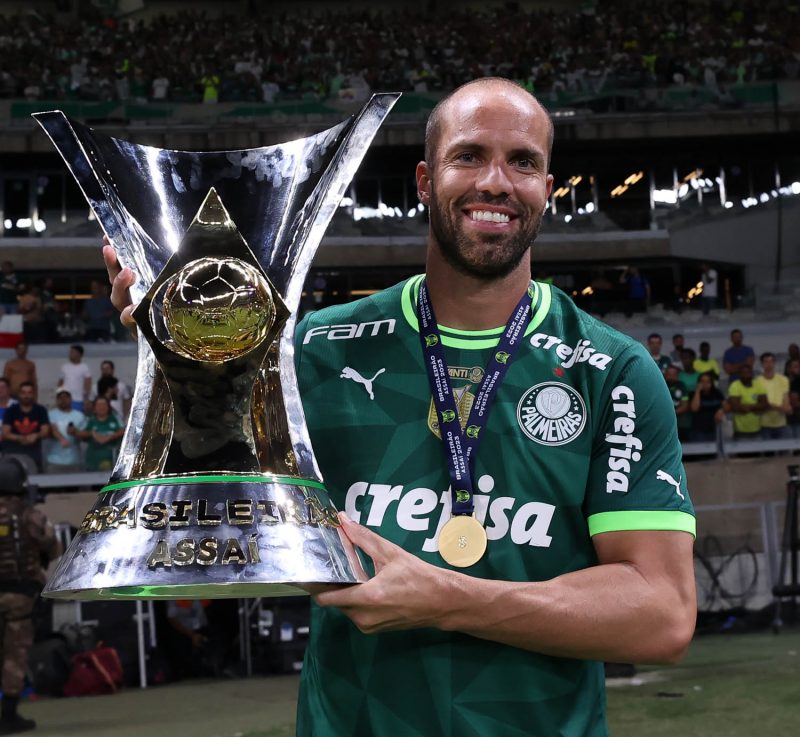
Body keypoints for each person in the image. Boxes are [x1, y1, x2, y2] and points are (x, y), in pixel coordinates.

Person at [104, 78, 696, 737]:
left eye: (522, 162)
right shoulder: (315, 349)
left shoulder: (610, 371)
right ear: (424, 180)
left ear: (547, 189)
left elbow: (663, 614)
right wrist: (184, 355)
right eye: (468, 156)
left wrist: (448, 599)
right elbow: (204, 488)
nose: (496, 182)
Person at [0, 456, 61, 734]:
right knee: (14, 655)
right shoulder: (29, 515)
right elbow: (53, 548)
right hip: (20, 596)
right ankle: (9, 716)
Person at [2, 383, 50, 473]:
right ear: (19, 394)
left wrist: (36, 435)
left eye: (29, 393)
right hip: (13, 454)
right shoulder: (11, 410)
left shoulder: (41, 410)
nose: (26, 396)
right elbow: (5, 433)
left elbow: (46, 431)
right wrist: (21, 438)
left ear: (33, 394)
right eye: (23, 393)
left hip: (34, 455)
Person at [76, 396, 123, 472]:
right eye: (99, 405)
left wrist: (111, 436)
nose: (102, 407)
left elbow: (125, 430)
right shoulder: (89, 419)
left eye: (104, 404)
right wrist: (92, 433)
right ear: (94, 408)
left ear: (108, 406)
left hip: (113, 461)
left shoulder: (115, 418)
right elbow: (78, 432)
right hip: (93, 462)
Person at [46, 388, 86, 473]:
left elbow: (84, 437)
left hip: (75, 460)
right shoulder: (50, 415)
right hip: (54, 460)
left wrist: (75, 433)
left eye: (66, 397)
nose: (63, 400)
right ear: (57, 400)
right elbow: (49, 430)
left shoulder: (79, 416)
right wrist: (59, 436)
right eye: (60, 398)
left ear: (71, 399)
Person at [755, 352, 791, 440]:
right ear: (762, 364)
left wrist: (771, 406)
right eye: (766, 362)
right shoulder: (756, 382)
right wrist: (776, 407)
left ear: (775, 363)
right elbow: (757, 407)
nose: (769, 364)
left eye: (771, 361)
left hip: (781, 424)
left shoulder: (783, 379)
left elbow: (786, 406)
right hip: (764, 425)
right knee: (767, 449)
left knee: (784, 448)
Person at [727, 364, 767, 440]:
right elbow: (735, 407)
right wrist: (756, 407)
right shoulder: (735, 385)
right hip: (740, 431)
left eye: (748, 372)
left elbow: (765, 405)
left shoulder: (758, 385)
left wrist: (748, 406)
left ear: (752, 373)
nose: (746, 375)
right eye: (743, 373)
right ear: (739, 374)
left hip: (757, 430)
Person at [689, 372, 725, 443]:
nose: (705, 384)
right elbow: (694, 408)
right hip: (698, 430)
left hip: (714, 429)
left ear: (711, 383)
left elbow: (726, 405)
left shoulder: (717, 393)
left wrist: (721, 410)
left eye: (708, 381)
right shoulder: (693, 394)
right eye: (702, 381)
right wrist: (698, 391)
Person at [57, 345, 92, 413]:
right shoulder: (64, 367)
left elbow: (88, 384)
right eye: (70, 352)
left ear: (79, 354)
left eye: (72, 352)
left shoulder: (85, 367)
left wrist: (86, 400)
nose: (70, 354)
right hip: (65, 400)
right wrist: (58, 397)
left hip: (78, 400)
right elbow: (60, 383)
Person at [665, 365, 691, 441]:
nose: (671, 377)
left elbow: (685, 406)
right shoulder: (661, 385)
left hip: (680, 421)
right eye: (669, 374)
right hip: (665, 421)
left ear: (677, 376)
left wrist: (671, 414)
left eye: (673, 375)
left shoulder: (681, 385)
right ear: (665, 375)